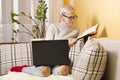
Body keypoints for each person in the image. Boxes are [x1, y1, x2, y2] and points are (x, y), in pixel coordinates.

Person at [10, 4, 79, 77]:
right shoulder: (53, 27)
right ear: (62, 17)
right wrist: (66, 44)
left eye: (74, 17)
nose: (73, 20)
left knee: (64, 70)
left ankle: (52, 71)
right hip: (50, 57)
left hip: (62, 60)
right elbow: (48, 46)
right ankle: (24, 68)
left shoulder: (76, 31)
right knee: (45, 70)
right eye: (70, 17)